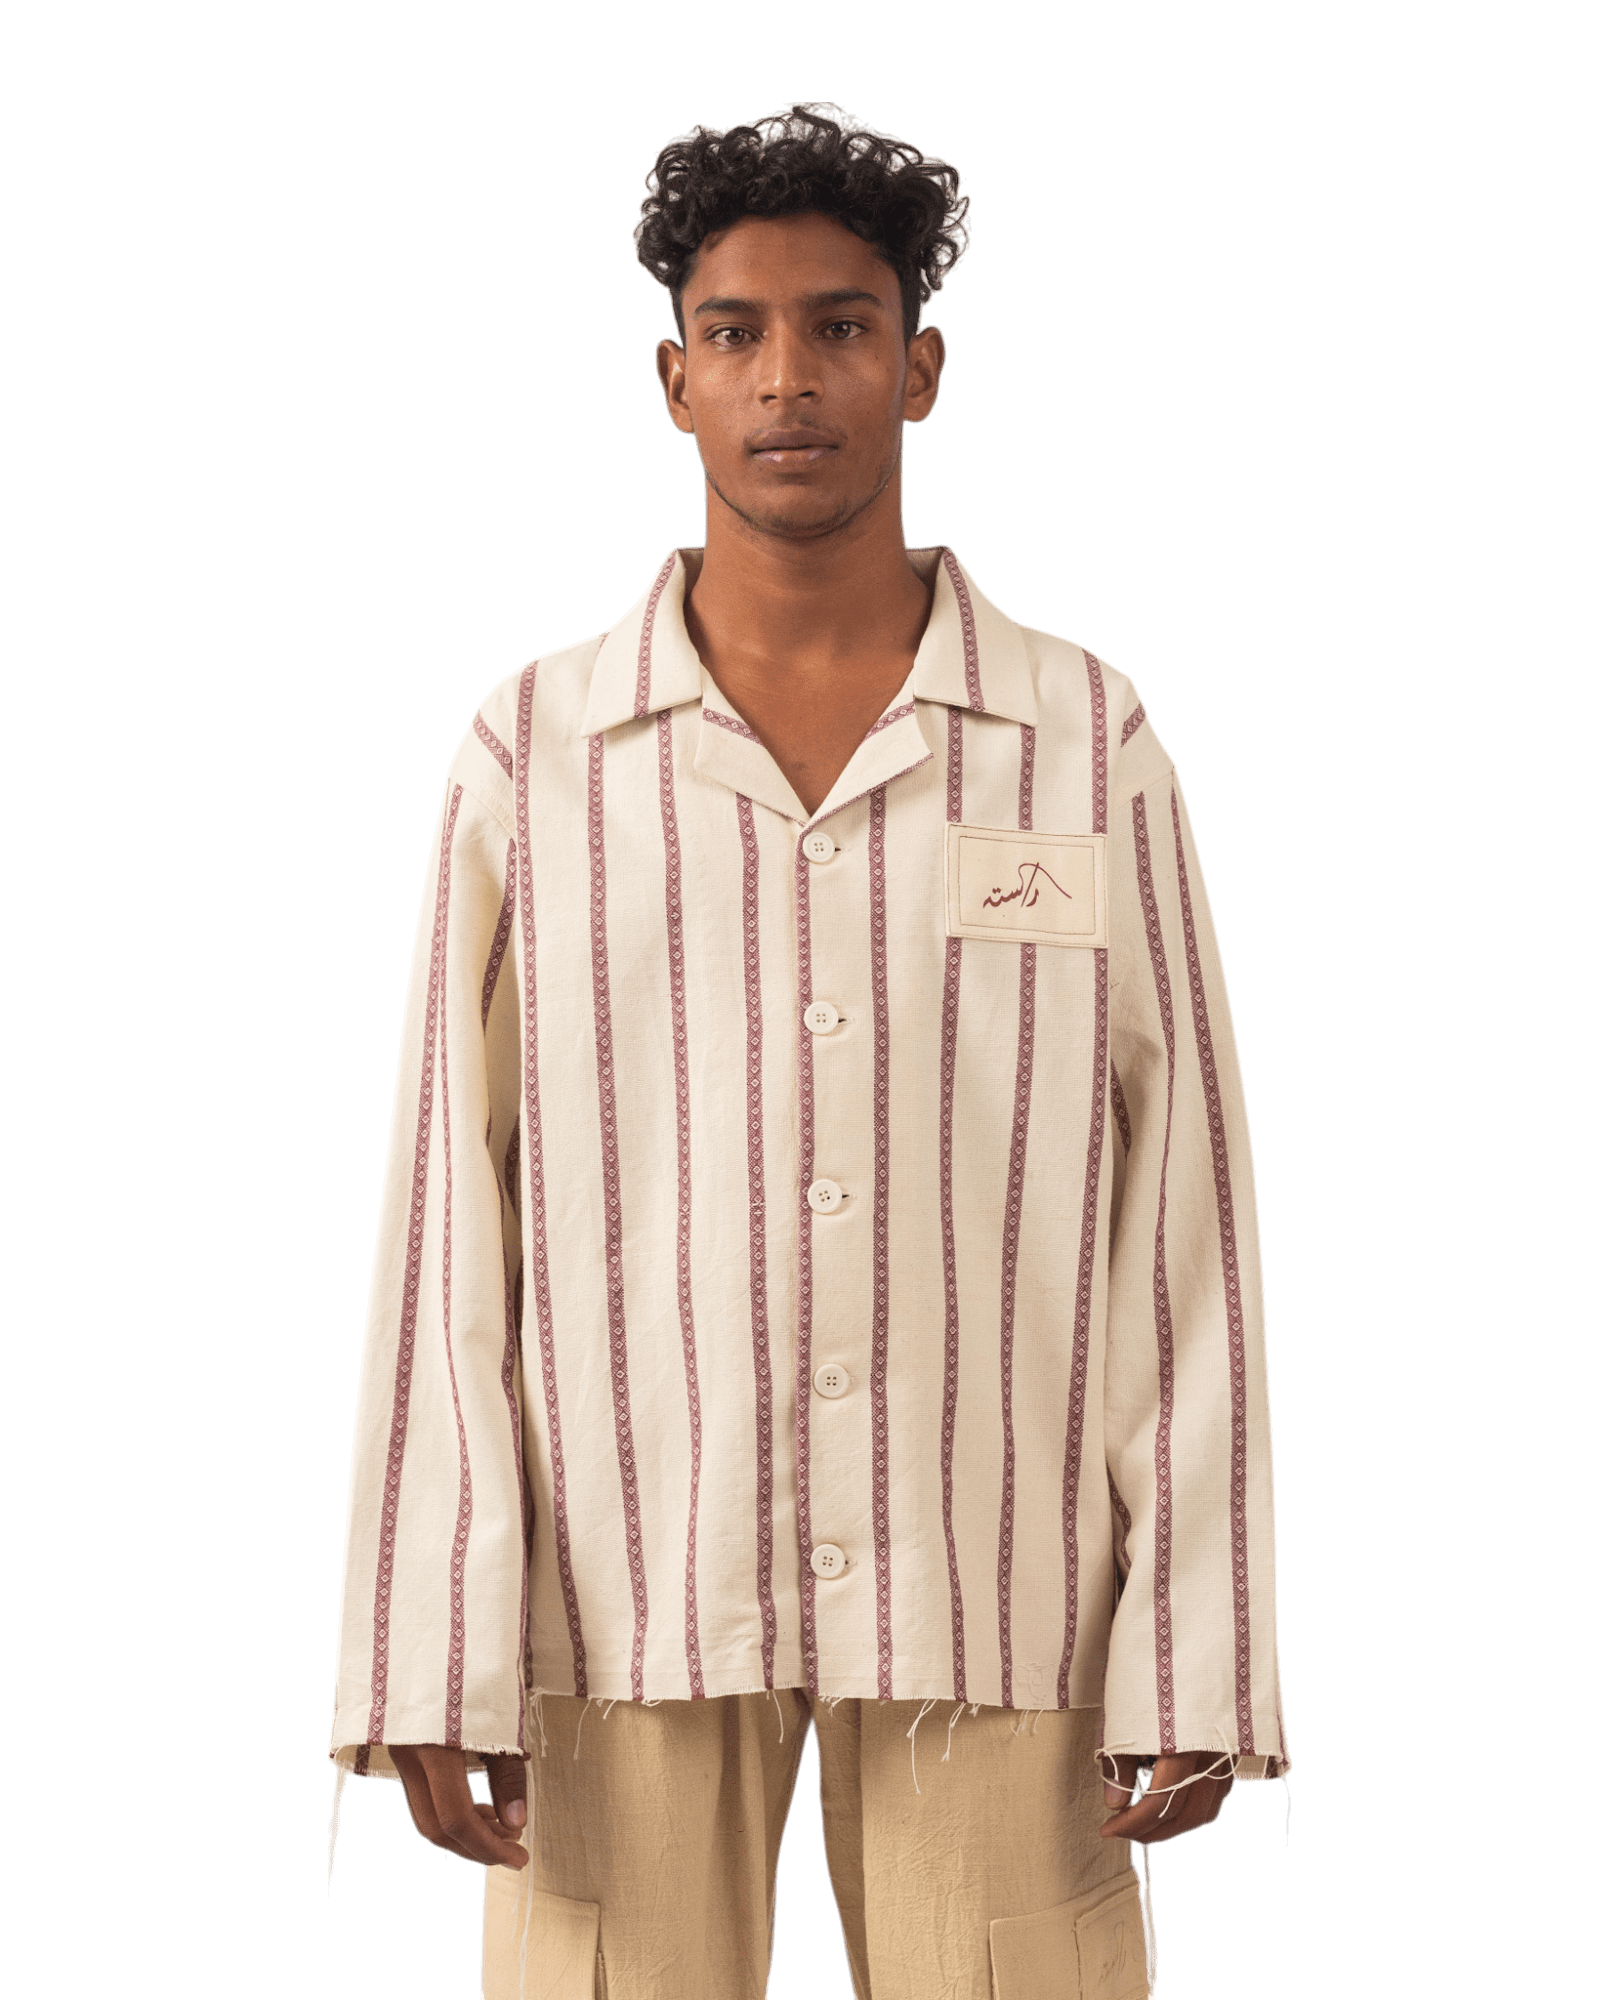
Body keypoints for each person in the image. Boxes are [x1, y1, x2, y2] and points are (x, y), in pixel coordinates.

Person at [328, 101, 1289, 2000]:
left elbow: (1183, 1201)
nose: (789, 378)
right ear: (672, 379)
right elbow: (447, 1202)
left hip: (997, 1579)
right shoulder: (535, 755)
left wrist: (1194, 1637)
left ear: (916, 369)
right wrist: (431, 1632)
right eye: (738, 331)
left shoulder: (1080, 739)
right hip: (619, 1587)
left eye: (841, 327)